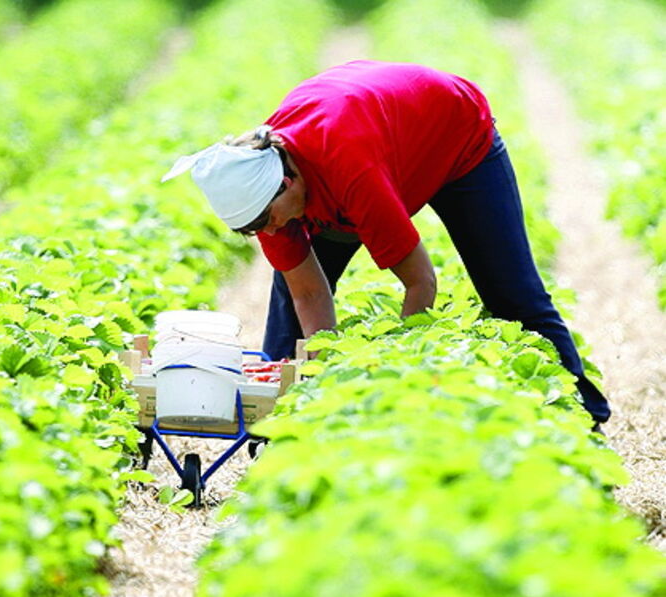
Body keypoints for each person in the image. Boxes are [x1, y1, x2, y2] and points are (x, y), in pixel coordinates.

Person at [161, 60, 610, 428]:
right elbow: (309, 292)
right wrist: (322, 369)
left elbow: (420, 282)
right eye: (256, 229)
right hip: (375, 140)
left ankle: (583, 416)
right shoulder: (266, 200)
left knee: (512, 293)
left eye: (268, 220)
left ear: (287, 181)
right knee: (288, 304)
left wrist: (399, 365)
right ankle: (280, 430)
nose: (271, 232)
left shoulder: (351, 171)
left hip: (455, 138)